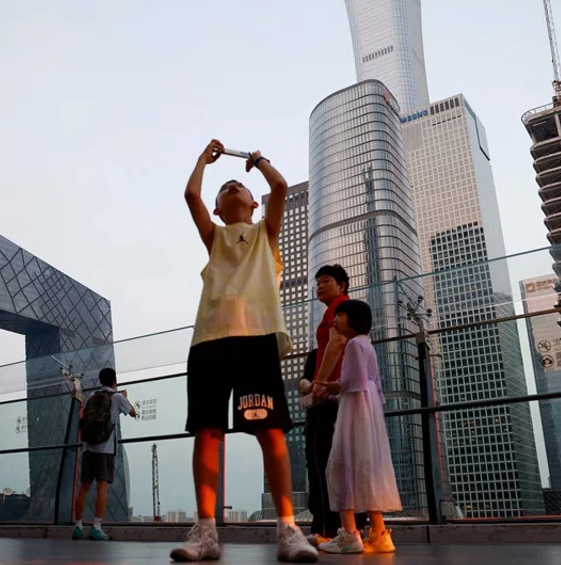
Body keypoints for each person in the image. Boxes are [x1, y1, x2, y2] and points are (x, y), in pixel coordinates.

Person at [171, 140, 317, 563]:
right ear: (217, 210)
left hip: (257, 339)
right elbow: (190, 195)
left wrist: (258, 162)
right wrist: (202, 159)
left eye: (239, 186)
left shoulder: (265, 235)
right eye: (224, 188)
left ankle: (288, 529)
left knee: (270, 430)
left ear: (254, 203)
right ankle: (206, 531)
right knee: (208, 431)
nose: (231, 186)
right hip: (210, 340)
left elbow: (282, 185)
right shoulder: (214, 236)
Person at [317, 299, 400, 554]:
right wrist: (336, 393)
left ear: (353, 319)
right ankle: (380, 534)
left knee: (342, 465)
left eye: (340, 315)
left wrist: (321, 386)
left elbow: (349, 382)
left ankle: (350, 534)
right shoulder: (368, 345)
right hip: (368, 407)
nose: (335, 320)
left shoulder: (353, 344)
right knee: (366, 467)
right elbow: (365, 383)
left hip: (355, 411)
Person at [297, 264, 366, 546]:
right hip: (339, 395)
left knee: (324, 461)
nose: (320, 286)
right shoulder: (335, 311)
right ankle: (344, 528)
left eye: (326, 281)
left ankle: (328, 529)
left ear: (342, 285)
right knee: (339, 462)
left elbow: (336, 343)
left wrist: (318, 386)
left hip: (332, 397)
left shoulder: (340, 307)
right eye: (318, 282)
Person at [72, 367, 137, 541]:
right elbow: (133, 413)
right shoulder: (117, 397)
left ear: (101, 381)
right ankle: (96, 527)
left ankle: (78, 526)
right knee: (102, 486)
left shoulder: (92, 398)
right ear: (114, 380)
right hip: (105, 450)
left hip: (87, 448)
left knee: (84, 487)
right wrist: (124, 396)